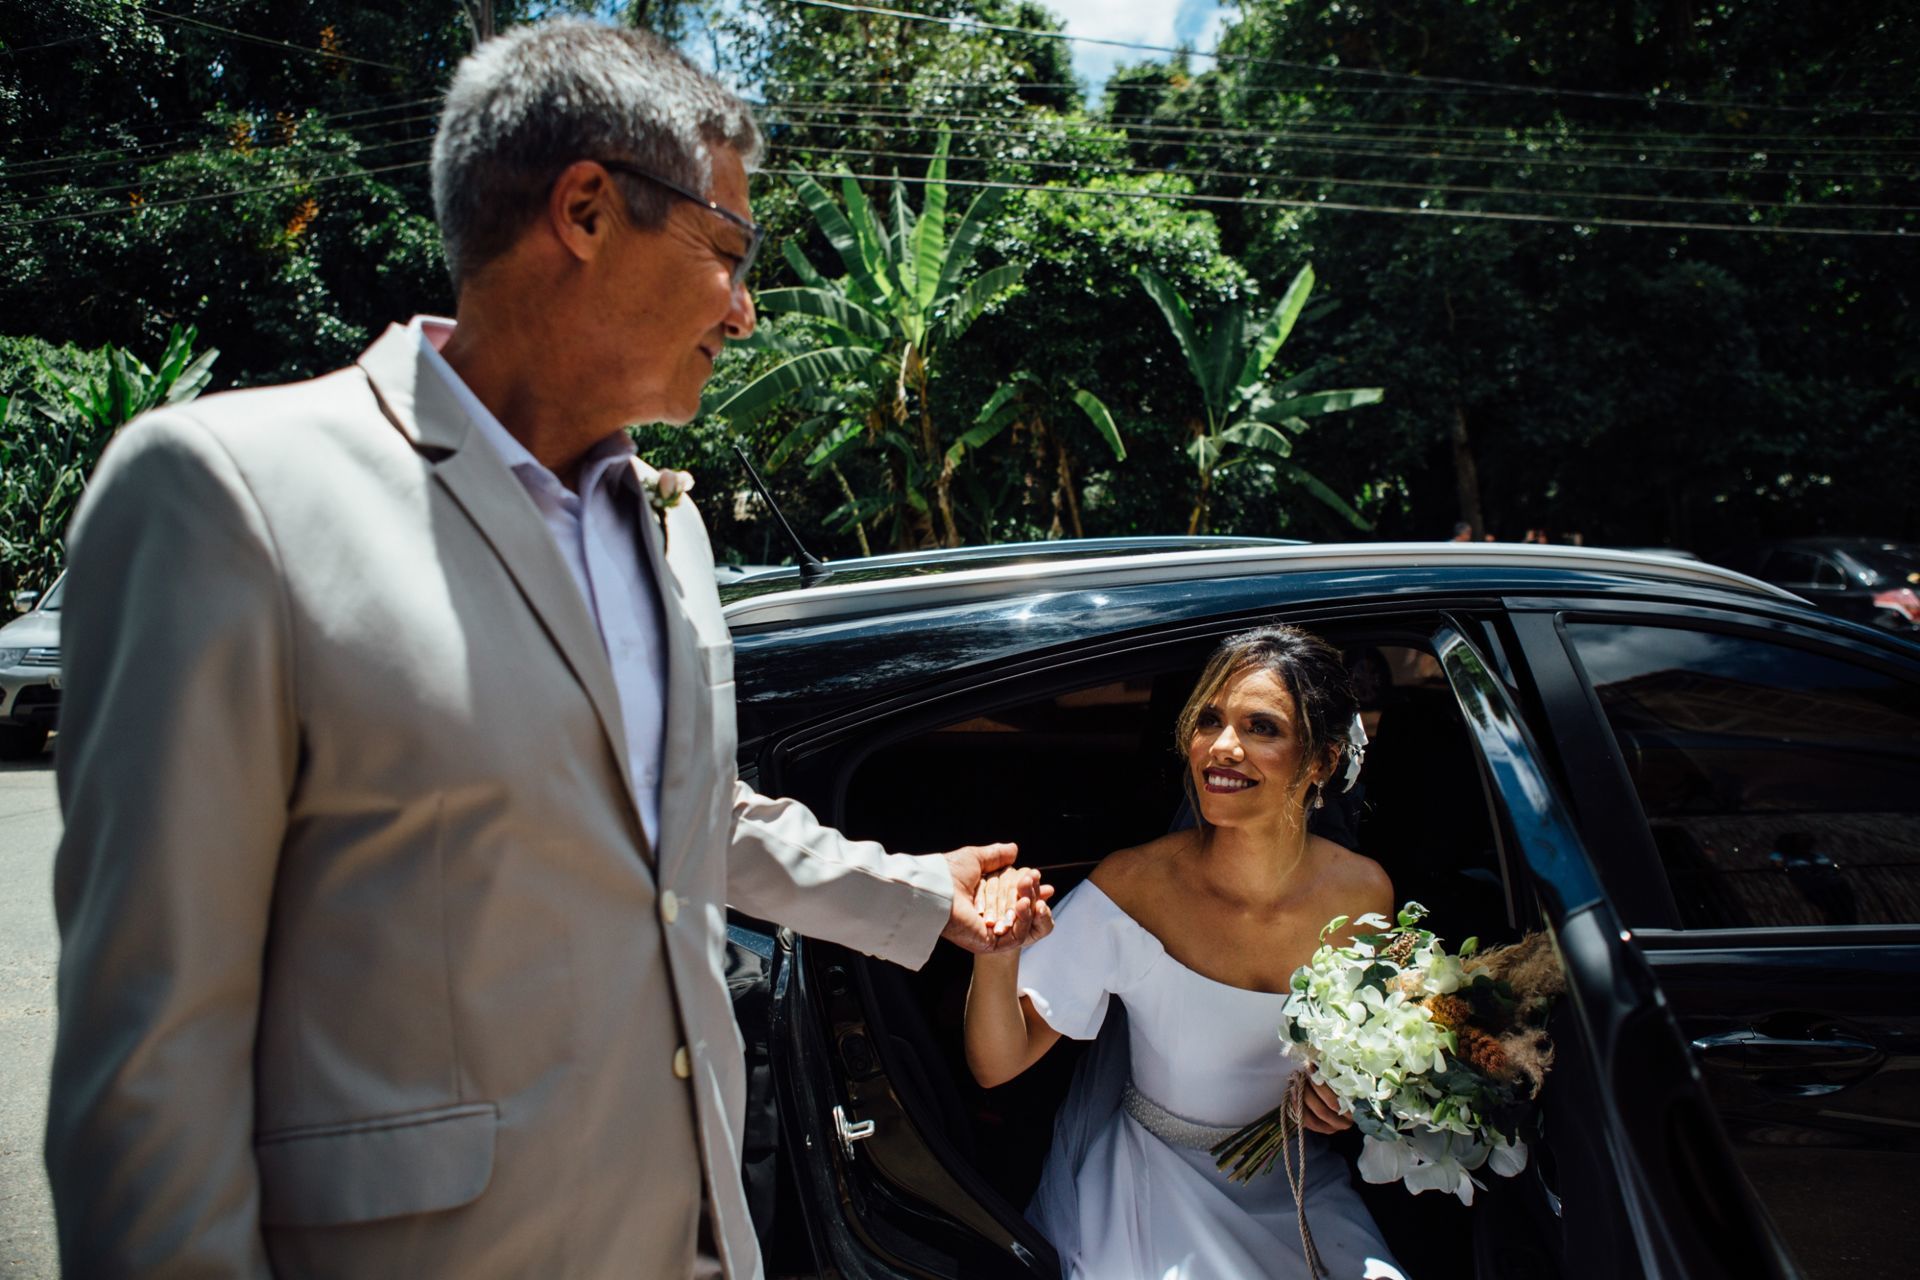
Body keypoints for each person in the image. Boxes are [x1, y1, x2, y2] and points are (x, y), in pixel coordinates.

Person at [45, 20, 1045, 1280]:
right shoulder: (229, 497)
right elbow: (149, 1069)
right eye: (730, 251)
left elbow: (678, 814)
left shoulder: (664, 525)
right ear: (585, 210)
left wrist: (919, 893)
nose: (745, 314)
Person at [964, 626, 1408, 1279]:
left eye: (1260, 727)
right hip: (1154, 1188)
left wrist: (1344, 1096)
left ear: (1321, 761)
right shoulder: (1134, 887)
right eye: (1209, 720)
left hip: (1297, 1184)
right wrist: (995, 954)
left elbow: (1369, 1059)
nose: (1222, 748)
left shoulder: (1365, 892)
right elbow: (995, 1067)